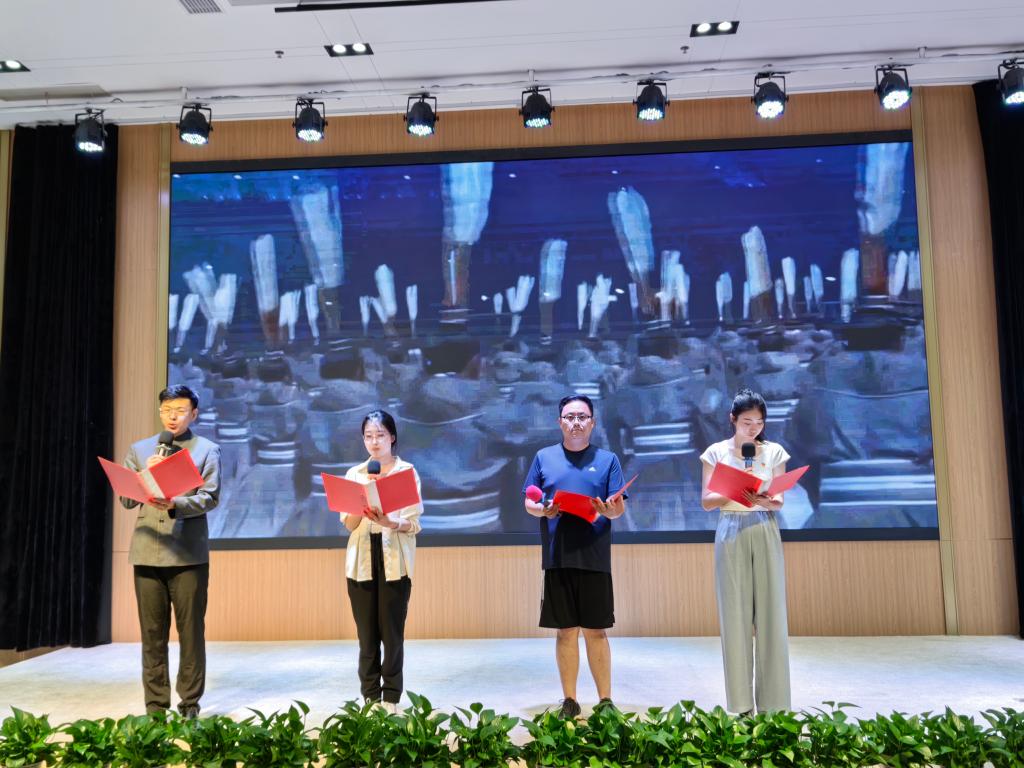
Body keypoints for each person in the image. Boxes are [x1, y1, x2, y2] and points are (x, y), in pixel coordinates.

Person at [522, 394, 627, 719]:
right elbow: (529, 501)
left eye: (582, 417)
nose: (576, 422)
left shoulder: (608, 460)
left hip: (595, 557)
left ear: (592, 423)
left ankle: (605, 700)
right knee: (565, 630)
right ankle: (570, 700)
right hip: (558, 557)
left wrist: (609, 509)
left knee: (597, 630)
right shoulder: (543, 457)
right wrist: (543, 509)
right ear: (560, 423)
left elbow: (619, 508)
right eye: (570, 417)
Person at [121, 385, 221, 718]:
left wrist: (176, 503)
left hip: (187, 554)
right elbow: (126, 499)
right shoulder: (140, 450)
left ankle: (189, 704)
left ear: (194, 413)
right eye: (166, 410)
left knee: (190, 632)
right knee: (152, 635)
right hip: (146, 551)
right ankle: (155, 707)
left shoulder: (207, 450)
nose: (172, 417)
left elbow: (210, 497)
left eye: (179, 410)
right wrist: (145, 475)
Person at [700, 388, 791, 714]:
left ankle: (774, 708)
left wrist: (765, 498)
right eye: (747, 422)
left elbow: (779, 501)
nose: (753, 429)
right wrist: (736, 490)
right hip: (731, 528)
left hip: (764, 526)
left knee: (771, 615)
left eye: (759, 423)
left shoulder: (774, 452)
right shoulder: (715, 453)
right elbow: (706, 501)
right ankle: (740, 707)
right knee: (734, 617)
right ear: (733, 419)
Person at [340, 409, 422, 713]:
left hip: (394, 562)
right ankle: (370, 697)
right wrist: (359, 504)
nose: (374, 442)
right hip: (360, 560)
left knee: (392, 635)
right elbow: (349, 525)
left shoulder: (406, 472)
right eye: (368, 436)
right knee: (366, 636)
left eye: (380, 435)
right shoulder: (355, 474)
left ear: (392, 437)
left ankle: (391, 698)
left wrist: (390, 522)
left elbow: (414, 524)